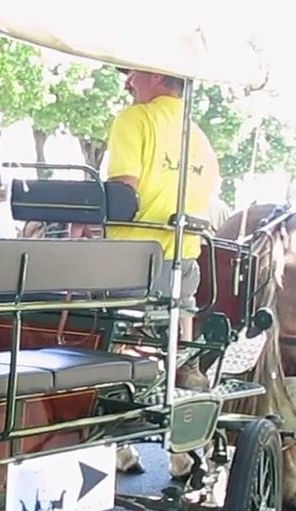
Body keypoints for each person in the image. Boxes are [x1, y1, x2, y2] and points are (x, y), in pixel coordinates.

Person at [103, 69, 221, 388]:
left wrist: (84, 218)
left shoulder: (135, 118)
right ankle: (185, 364)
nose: (128, 82)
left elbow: (122, 197)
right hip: (183, 275)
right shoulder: (201, 139)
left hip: (130, 272)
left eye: (132, 73)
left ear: (156, 75)